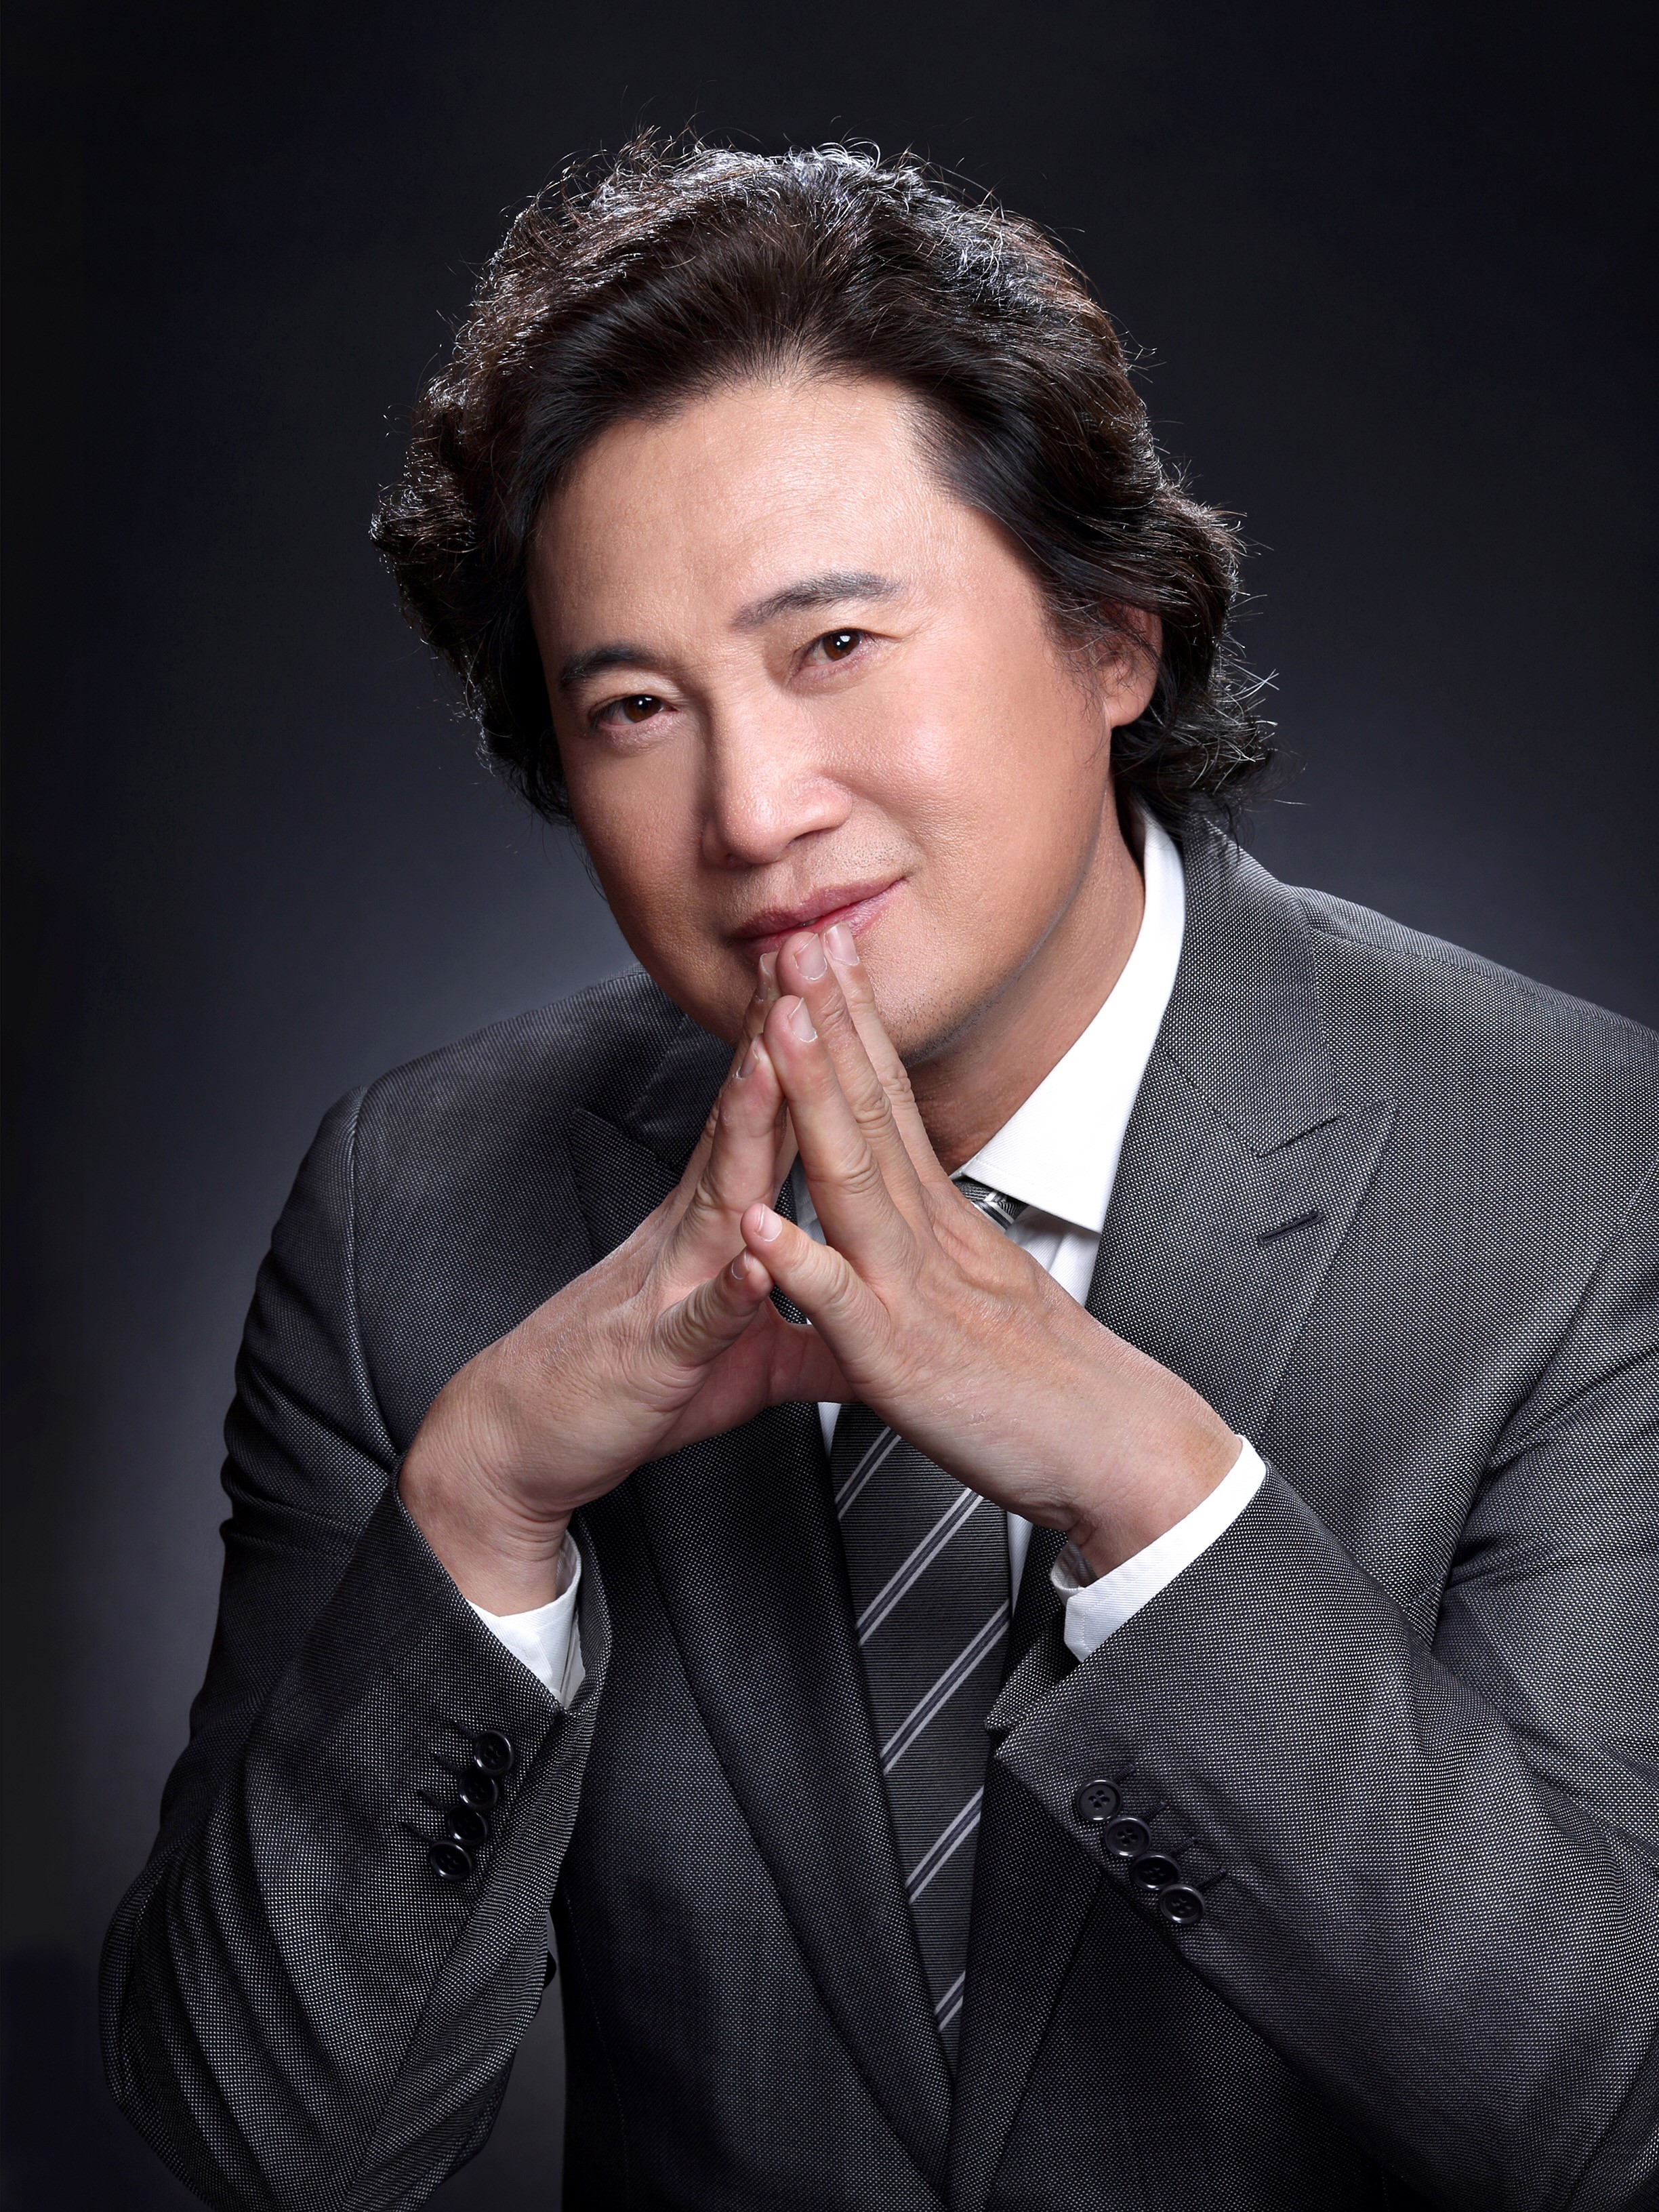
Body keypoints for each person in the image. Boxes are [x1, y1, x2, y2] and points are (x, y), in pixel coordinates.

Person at [102, 140, 1657, 2212]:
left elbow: (1609, 2120)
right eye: (635, 707)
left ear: (1117, 631)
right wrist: (477, 1511)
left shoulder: (1586, 1180)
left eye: (833, 644)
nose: (752, 811)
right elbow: (257, 2151)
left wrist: (1156, 1502)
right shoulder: (420, 1215)